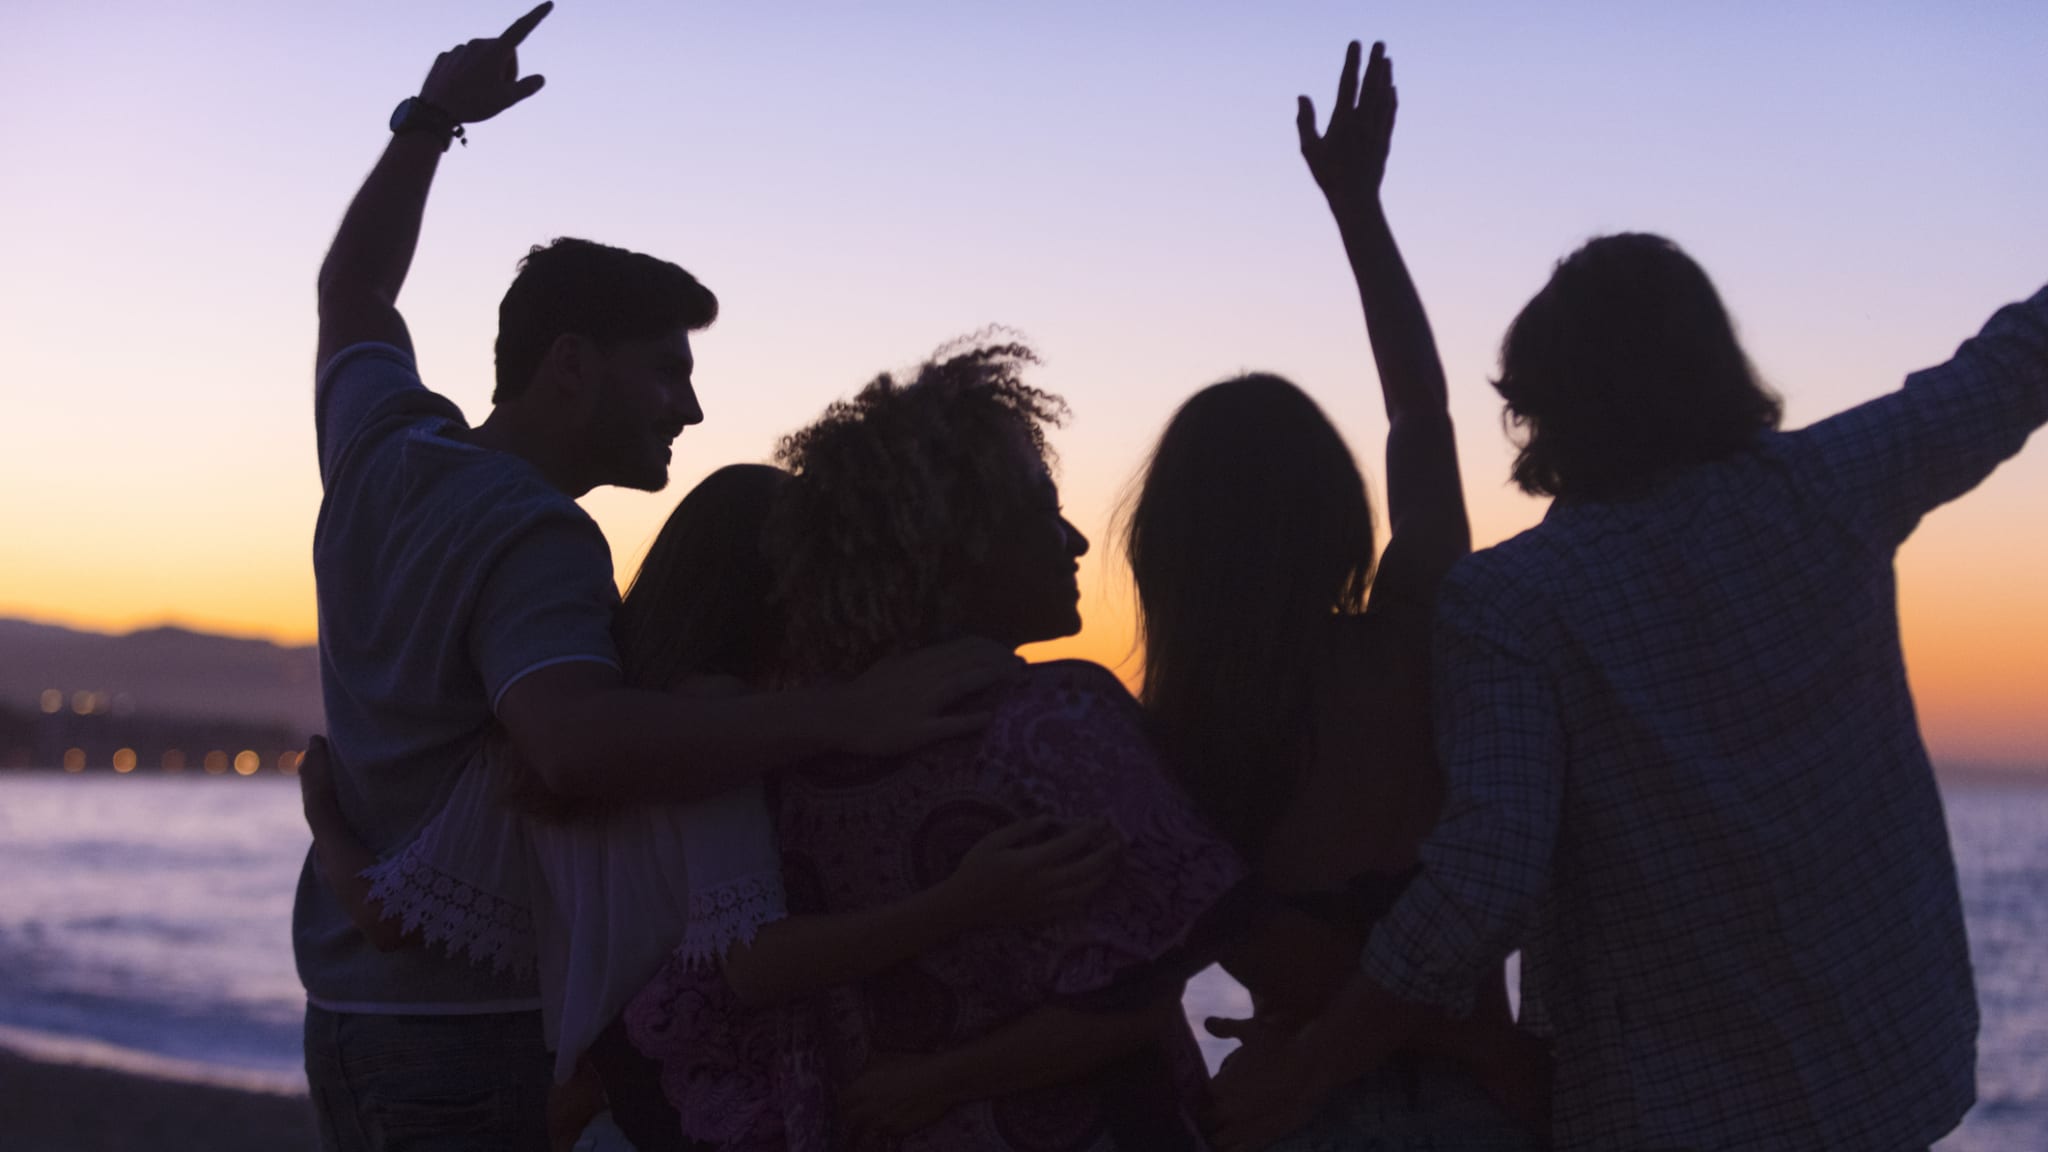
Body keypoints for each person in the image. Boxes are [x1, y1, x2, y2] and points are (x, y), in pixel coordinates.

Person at [1205, 149, 2048, 1152]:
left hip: (1666, 1115)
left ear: (1542, 406)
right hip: (1887, 1081)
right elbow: (2010, 366)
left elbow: (1485, 878)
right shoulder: (1829, 486)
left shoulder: (1512, 604)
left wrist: (1309, 1066)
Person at [304, 8, 1014, 1149]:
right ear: (570, 366)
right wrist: (852, 714)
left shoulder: (383, 451)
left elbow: (353, 293)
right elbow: (574, 744)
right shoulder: (537, 536)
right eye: (665, 371)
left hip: (344, 1015)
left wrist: (430, 120)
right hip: (476, 1031)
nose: (688, 407)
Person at [300, 464, 1120, 1152]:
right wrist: (963, 902)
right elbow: (756, 963)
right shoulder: (714, 730)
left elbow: (384, 914)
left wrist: (325, 816)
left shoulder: (556, 729)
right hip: (687, 1115)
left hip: (600, 1106)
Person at [625, 339, 1252, 1150]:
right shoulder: (1061, 718)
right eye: (1041, 507)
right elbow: (1164, 966)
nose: (1075, 541)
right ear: (958, 546)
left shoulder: (779, 756)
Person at [1122, 41, 1542, 1151]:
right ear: (1333, 522)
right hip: (1476, 1108)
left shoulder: (1175, 737)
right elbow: (1420, 417)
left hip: (1296, 1110)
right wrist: (1358, 213)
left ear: (1171, 543)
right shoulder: (1407, 647)